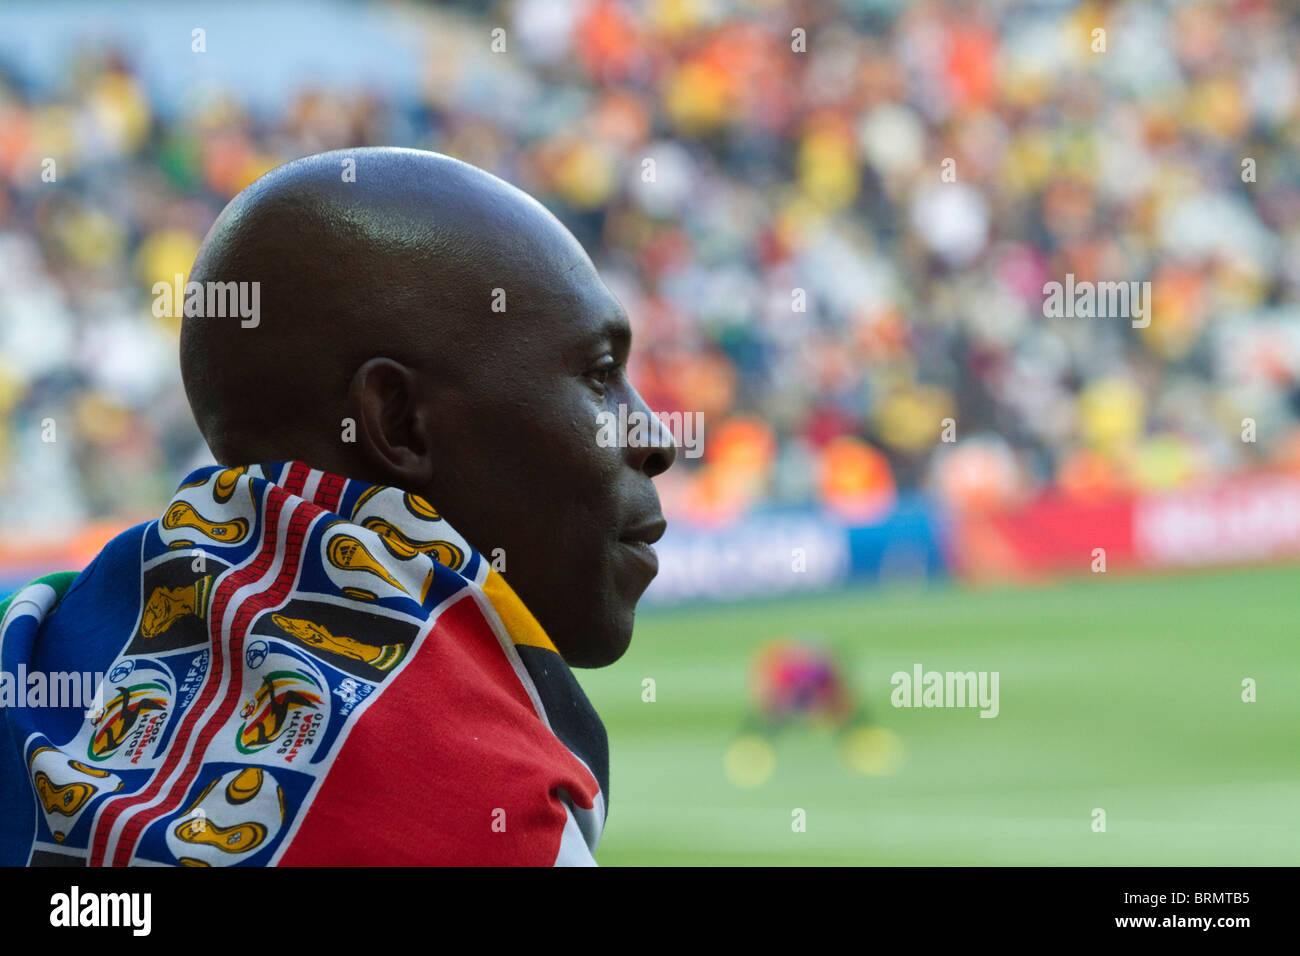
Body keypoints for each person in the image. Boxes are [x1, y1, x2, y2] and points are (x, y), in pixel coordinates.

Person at [0, 147, 676, 866]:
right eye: (601, 376)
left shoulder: (32, 649)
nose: (656, 438)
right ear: (398, 423)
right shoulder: (489, 826)